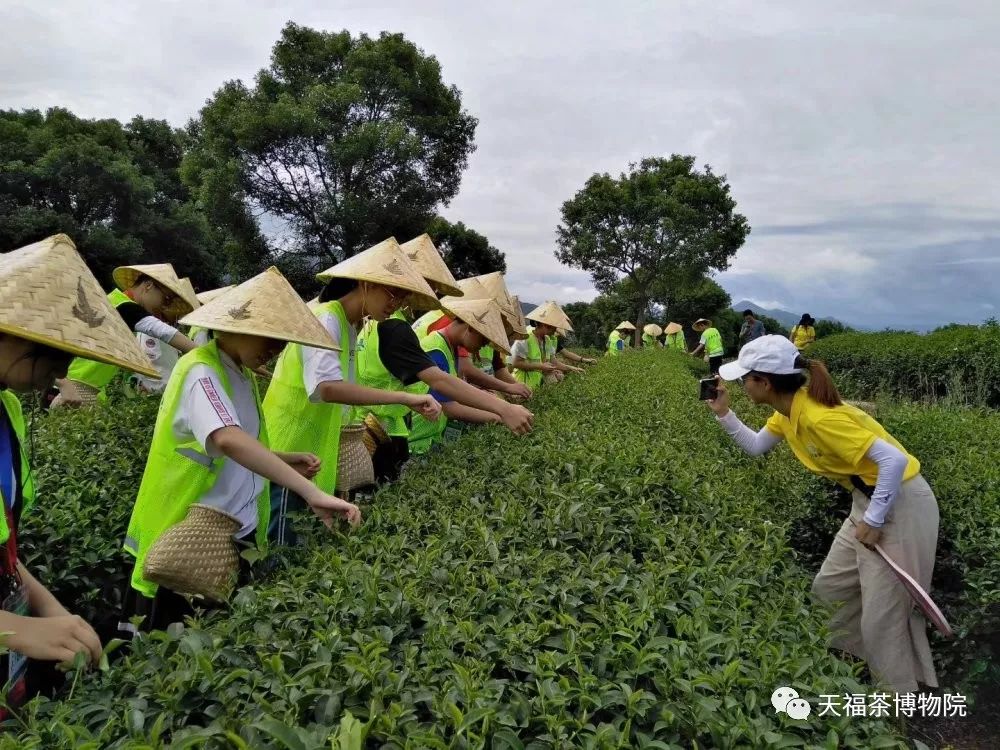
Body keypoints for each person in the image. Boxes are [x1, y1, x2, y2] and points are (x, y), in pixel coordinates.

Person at [120, 268, 361, 634]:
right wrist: (309, 492)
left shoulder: (240, 373)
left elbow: (227, 444)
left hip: (229, 532)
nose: (276, 348)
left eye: (283, 340)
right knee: (175, 644)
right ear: (235, 325)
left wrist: (285, 460)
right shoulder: (202, 371)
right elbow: (227, 439)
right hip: (188, 539)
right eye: (270, 335)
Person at [705, 335, 938, 693]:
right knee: (830, 589)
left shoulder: (818, 417)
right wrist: (724, 413)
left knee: (885, 613)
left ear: (763, 382)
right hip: (867, 500)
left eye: (744, 379)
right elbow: (755, 447)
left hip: (900, 505)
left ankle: (897, 699)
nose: (741, 385)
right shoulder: (788, 412)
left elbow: (894, 461)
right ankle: (852, 665)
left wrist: (875, 521)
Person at [0, 234, 161, 712]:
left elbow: (3, 548)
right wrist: (20, 629)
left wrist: (48, 608)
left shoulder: (8, 410)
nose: (62, 371)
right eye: (51, 353)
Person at [263, 238, 442, 544]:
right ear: (364, 283)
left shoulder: (350, 325)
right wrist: (405, 397)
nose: (395, 304)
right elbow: (327, 388)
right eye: (392, 293)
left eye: (401, 298)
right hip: (288, 452)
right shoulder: (326, 318)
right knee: (283, 549)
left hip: (313, 456)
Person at [354, 236, 533, 481]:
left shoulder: (379, 322)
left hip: (375, 428)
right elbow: (440, 383)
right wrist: (501, 410)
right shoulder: (394, 327)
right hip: (383, 432)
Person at [53, 263, 200, 406]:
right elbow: (164, 332)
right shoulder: (123, 307)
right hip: (72, 389)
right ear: (148, 286)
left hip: (85, 387)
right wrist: (205, 353)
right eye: (166, 299)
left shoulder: (110, 302)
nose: (164, 306)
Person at [408, 298, 517, 455]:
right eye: (484, 339)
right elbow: (448, 407)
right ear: (471, 327)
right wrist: (500, 416)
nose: (485, 345)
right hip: (416, 442)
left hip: (430, 437)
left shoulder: (450, 348)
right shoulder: (435, 350)